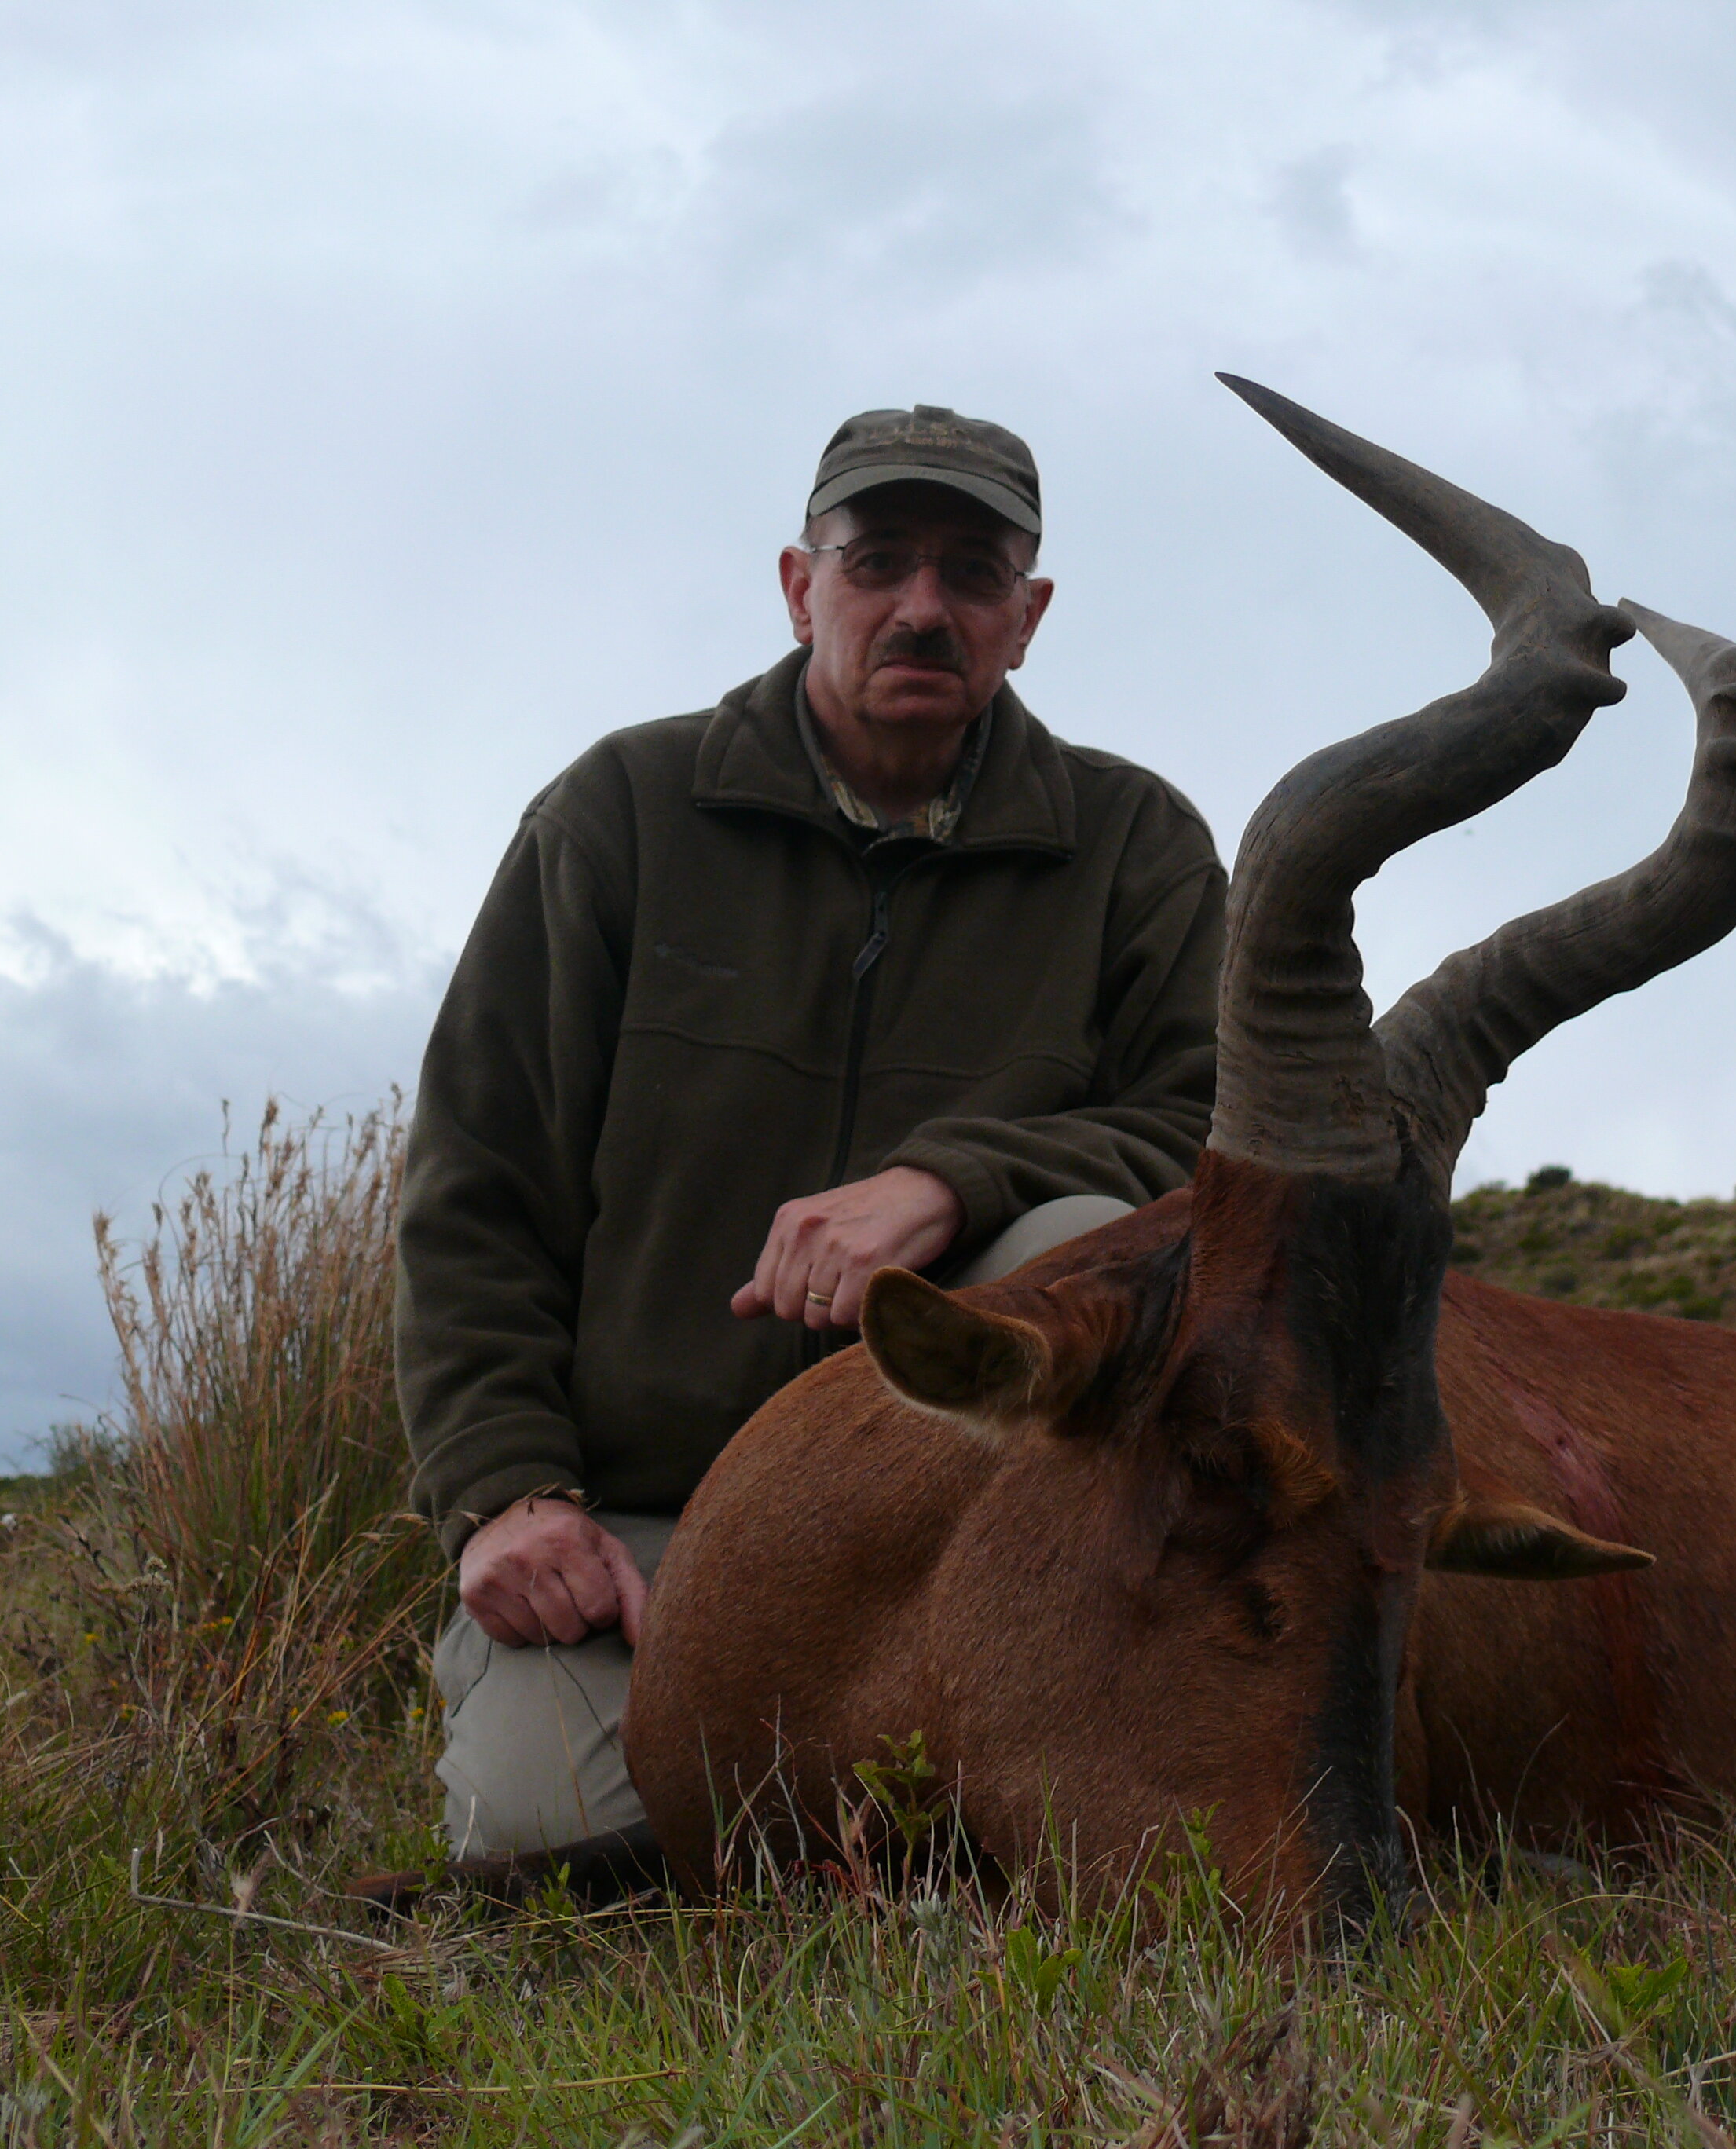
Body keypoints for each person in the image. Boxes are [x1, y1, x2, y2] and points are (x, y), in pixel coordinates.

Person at [395, 405, 1225, 1857]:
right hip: (644, 1532)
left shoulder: (1137, 847)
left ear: (1027, 618)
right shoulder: (620, 814)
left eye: (972, 574)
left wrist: (951, 1185)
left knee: (1091, 1244)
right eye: (878, 560)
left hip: (968, 1547)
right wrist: (506, 1499)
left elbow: (1212, 1142)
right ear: (800, 585)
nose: (923, 606)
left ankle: (1063, 1705)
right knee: (553, 1848)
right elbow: (478, 1186)